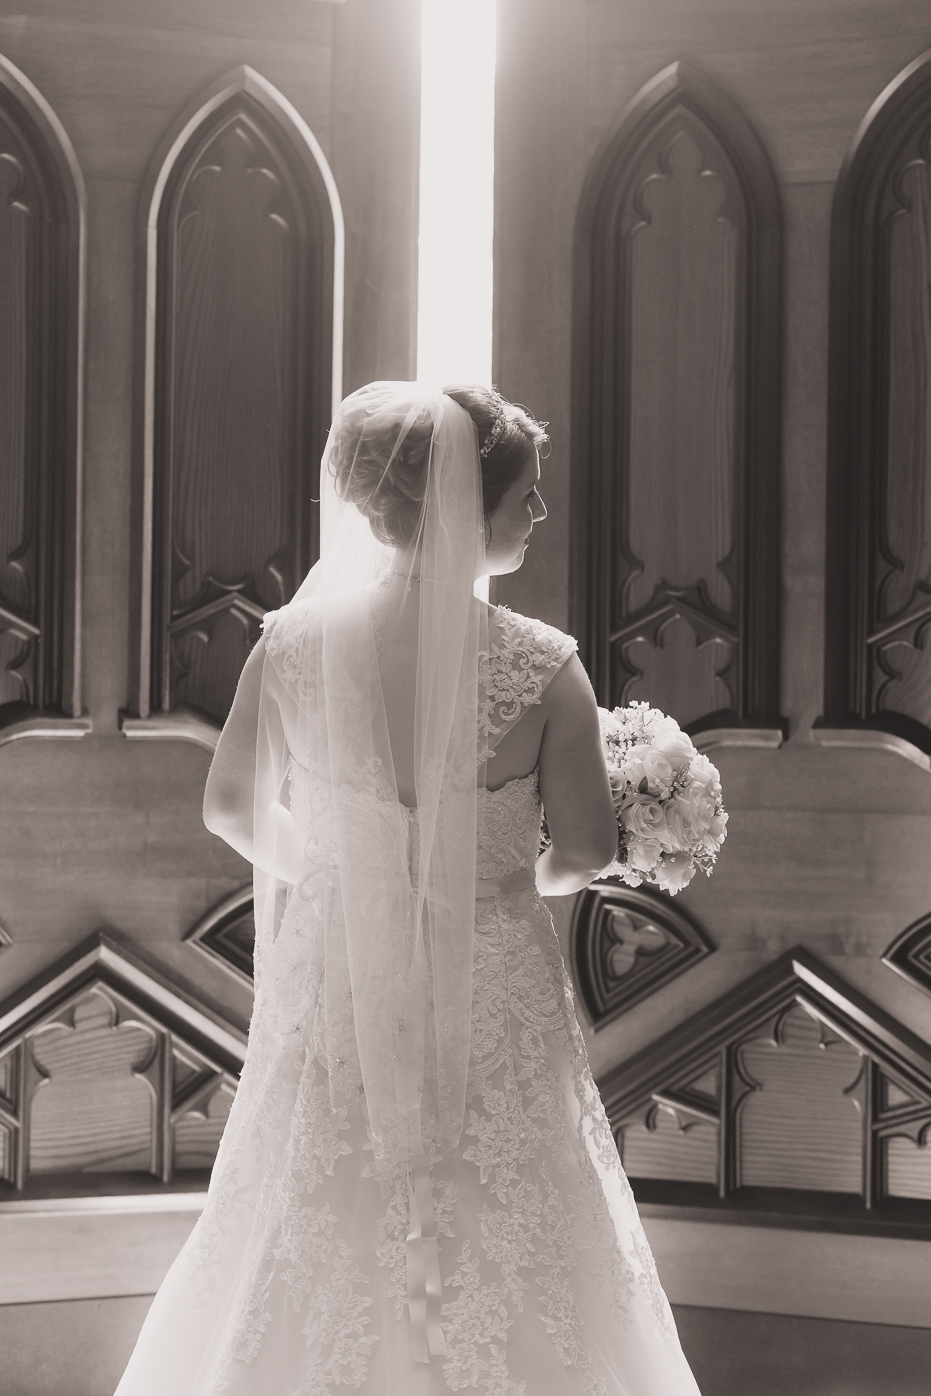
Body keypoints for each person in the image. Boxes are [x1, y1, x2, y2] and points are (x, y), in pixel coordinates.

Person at [115, 382, 701, 1395]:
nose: (537, 512)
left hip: (344, 969)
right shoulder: (539, 665)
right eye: (524, 492)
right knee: (511, 1189)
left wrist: (356, 880)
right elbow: (584, 846)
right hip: (493, 976)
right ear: (465, 504)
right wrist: (497, 876)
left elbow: (230, 808)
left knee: (318, 1181)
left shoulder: (293, 642)